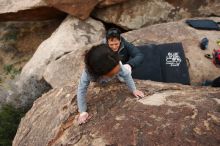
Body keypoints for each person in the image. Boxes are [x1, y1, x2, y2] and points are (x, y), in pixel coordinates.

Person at [77, 44, 144, 124]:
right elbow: (81, 90)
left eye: (117, 70)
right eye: (112, 74)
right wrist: (82, 111)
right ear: (100, 74)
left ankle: (127, 66)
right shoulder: (88, 74)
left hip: (118, 69)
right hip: (100, 77)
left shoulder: (116, 63)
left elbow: (126, 75)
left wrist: (134, 90)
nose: (115, 73)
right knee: (118, 74)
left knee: (124, 74)